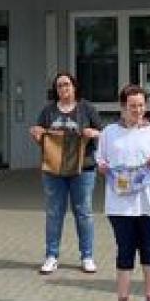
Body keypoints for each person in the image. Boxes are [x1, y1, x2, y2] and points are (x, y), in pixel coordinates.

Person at [96, 85, 150, 301]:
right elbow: (101, 161)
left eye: (141, 105)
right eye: (132, 106)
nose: (137, 110)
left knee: (149, 250)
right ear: (122, 107)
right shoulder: (109, 133)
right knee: (124, 251)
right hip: (120, 205)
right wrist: (103, 168)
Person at [29, 72, 102, 274]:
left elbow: (102, 132)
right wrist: (37, 134)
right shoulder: (48, 111)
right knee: (54, 213)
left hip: (83, 168)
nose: (63, 89)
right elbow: (41, 138)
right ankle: (51, 256)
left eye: (67, 84)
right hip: (53, 169)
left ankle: (87, 256)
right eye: (59, 85)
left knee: (84, 212)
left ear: (74, 86)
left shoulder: (86, 108)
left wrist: (93, 133)